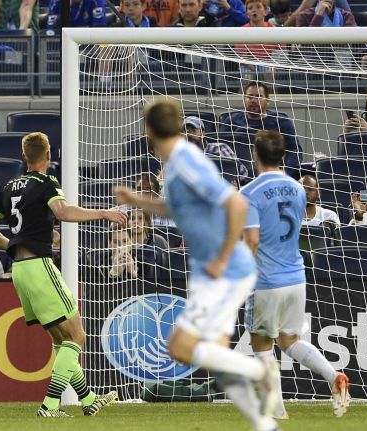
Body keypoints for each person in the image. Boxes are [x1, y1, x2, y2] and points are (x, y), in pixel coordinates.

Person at [114, 99, 280, 431]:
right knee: (217, 358)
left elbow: (234, 202)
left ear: (148, 130)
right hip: (216, 270)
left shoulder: (185, 159)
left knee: (181, 346)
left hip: (224, 269)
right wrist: (137, 201)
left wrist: (221, 258)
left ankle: (260, 371)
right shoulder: (174, 164)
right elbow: (176, 210)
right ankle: (264, 425)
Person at [0, 132, 127, 417]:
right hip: (40, 266)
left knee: (61, 339)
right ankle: (49, 405)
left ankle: (88, 399)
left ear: (24, 156)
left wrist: (12, 245)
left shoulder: (8, 186)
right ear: (48, 155)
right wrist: (104, 213)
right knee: (77, 337)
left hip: (19, 270)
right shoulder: (46, 182)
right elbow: (62, 212)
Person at [240, 130, 350, 419]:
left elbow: (251, 240)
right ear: (284, 155)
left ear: (255, 153)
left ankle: (277, 411)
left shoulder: (249, 193)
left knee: (262, 344)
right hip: (296, 275)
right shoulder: (298, 189)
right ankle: (334, 377)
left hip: (266, 279)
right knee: (289, 341)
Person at [219, 82, 301, 178]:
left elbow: (294, 152)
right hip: (237, 176)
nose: (253, 100)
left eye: (258, 97)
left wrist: (284, 175)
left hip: (273, 175)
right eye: (249, 97)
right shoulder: (231, 121)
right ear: (244, 99)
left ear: (267, 100)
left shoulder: (282, 121)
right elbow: (219, 149)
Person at [184, 116, 249, 182]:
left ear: (203, 133)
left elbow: (242, 172)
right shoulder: (180, 155)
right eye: (186, 131)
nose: (189, 135)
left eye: (193, 130)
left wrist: (234, 181)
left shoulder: (219, 148)